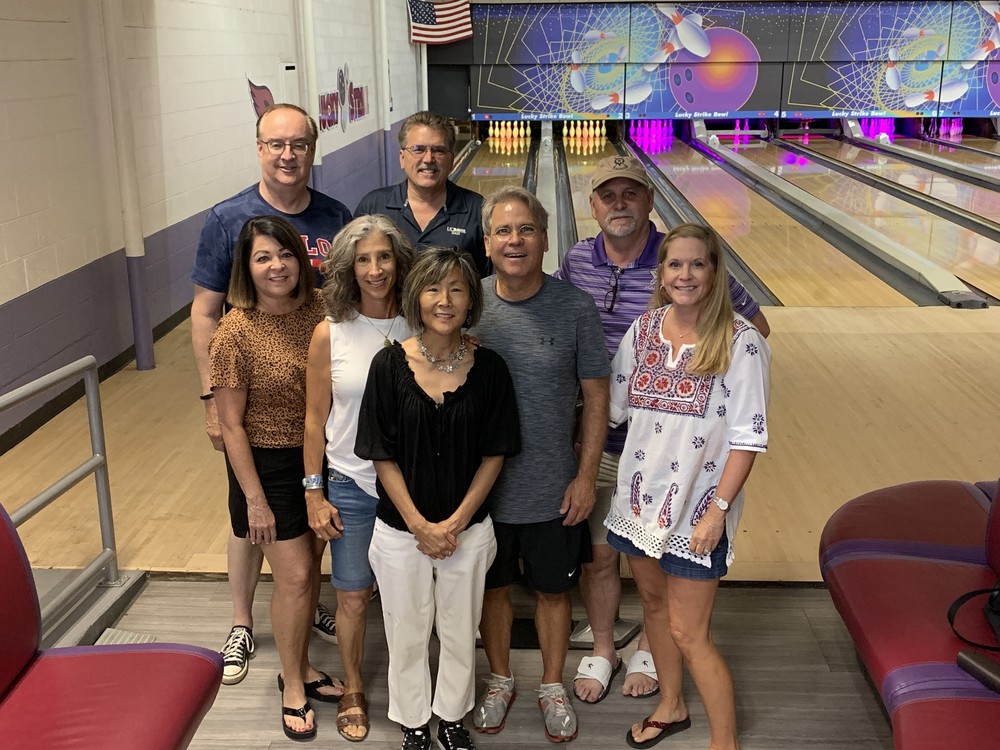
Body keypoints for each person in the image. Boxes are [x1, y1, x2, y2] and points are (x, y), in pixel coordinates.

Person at [554, 155, 769, 704]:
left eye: (631, 193)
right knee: (601, 555)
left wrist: (717, 387)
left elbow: (755, 329)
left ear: (650, 201)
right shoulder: (577, 260)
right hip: (605, 438)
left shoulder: (684, 256)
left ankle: (653, 650)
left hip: (677, 448)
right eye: (608, 195)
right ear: (593, 205)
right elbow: (552, 317)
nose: (619, 203)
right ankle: (604, 648)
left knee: (668, 573)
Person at [191, 103, 351, 684]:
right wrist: (212, 401)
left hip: (318, 420)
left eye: (298, 144)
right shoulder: (227, 218)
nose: (288, 155)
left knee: (305, 538)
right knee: (250, 518)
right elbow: (204, 312)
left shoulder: (334, 215)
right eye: (276, 144)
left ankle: (301, 605)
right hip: (254, 411)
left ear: (312, 149)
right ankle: (242, 620)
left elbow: (345, 307)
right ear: (259, 148)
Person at [606, 223, 770, 750]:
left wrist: (718, 510)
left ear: (715, 273)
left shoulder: (741, 342)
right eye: (675, 264)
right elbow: (611, 407)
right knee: (655, 610)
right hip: (639, 503)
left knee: (689, 633)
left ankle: (726, 742)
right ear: (661, 273)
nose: (685, 274)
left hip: (699, 512)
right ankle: (671, 705)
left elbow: (748, 438)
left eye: (698, 264)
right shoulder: (642, 331)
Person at [356, 247, 520, 750]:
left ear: (471, 300)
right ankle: (413, 722)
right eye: (432, 288)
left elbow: (495, 453)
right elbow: (380, 453)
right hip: (400, 530)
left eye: (456, 289)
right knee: (406, 631)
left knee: (459, 629)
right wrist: (420, 525)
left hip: (467, 531)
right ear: (416, 297)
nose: (444, 300)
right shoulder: (388, 365)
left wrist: (454, 523)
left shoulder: (490, 368)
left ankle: (451, 716)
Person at [470, 187, 610, 744]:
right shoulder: (468, 303)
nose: (515, 240)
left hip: (554, 484)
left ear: (546, 239)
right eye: (503, 231)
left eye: (526, 229)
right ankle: (500, 679)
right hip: (482, 489)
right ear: (486, 242)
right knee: (494, 589)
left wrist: (585, 476)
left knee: (554, 591)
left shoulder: (575, 307)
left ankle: (552, 684)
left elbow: (596, 398)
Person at [209, 216, 347, 741]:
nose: (277, 266)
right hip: (266, 467)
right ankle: (292, 683)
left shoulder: (321, 309)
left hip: (321, 457)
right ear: (246, 268)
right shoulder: (234, 332)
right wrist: (254, 501)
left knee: (309, 572)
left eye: (285, 254)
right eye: (263, 257)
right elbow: (231, 426)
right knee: (294, 576)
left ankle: (304, 666)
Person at [303, 215, 416, 742]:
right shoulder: (330, 332)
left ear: (399, 261)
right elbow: (314, 420)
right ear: (348, 268)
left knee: (410, 597)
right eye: (363, 260)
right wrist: (314, 492)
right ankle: (352, 688)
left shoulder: (423, 323)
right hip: (350, 483)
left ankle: (412, 685)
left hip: (412, 487)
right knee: (351, 595)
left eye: (384, 257)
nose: (375, 270)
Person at [354, 111, 488, 276]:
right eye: (418, 149)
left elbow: (491, 280)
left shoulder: (477, 210)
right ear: (402, 158)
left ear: (451, 160)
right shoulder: (373, 206)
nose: (428, 159)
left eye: (438, 150)